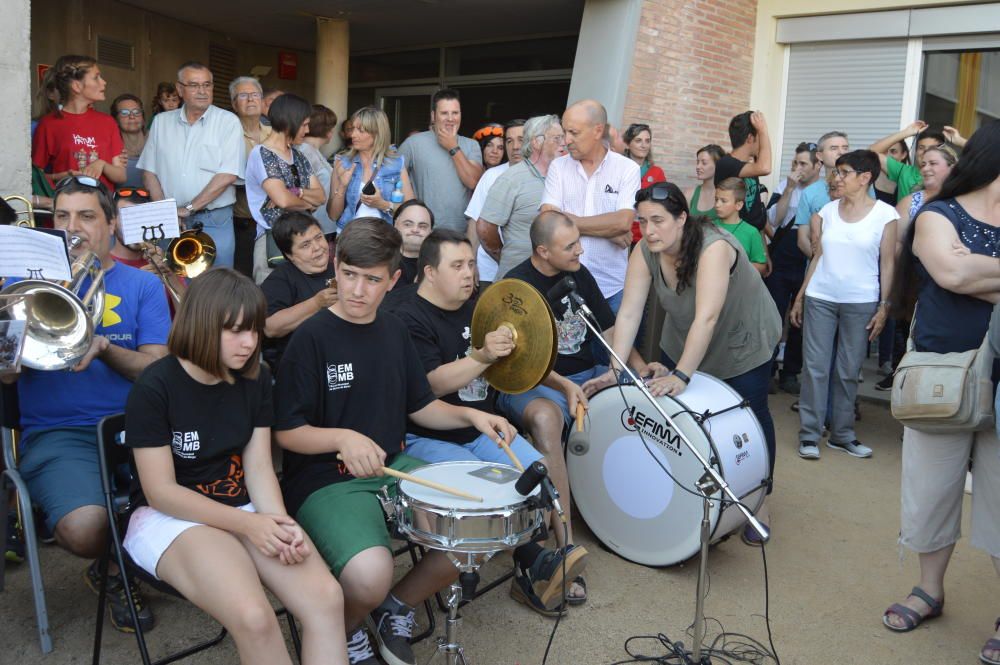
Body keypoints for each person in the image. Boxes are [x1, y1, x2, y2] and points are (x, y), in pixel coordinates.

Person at [273, 218, 518, 665]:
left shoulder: (393, 330)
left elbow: (419, 406)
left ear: (393, 280)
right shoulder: (310, 337)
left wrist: (471, 415)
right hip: (325, 480)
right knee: (369, 574)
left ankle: (395, 607)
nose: (358, 290)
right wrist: (343, 438)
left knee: (476, 529)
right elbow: (286, 431)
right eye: (348, 274)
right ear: (336, 265)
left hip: (391, 468)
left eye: (372, 279)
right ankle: (343, 629)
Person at [124, 269, 348, 665]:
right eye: (235, 331)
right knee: (255, 618)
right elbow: (161, 491)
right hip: (171, 516)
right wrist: (250, 525)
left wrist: (279, 524)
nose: (249, 343)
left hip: (241, 505)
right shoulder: (156, 386)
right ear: (202, 324)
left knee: (326, 598)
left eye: (254, 331)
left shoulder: (256, 378)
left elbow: (259, 466)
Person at [389, 228, 589, 615]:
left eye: (472, 264)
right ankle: (534, 564)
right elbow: (428, 384)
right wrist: (481, 356)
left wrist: (563, 383)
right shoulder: (406, 316)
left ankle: (546, 560)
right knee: (494, 496)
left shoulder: (480, 301)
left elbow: (518, 354)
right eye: (458, 266)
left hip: (483, 428)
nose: (470, 274)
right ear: (430, 272)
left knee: (538, 475)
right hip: (425, 435)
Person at [1, 176, 171, 631]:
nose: (72, 228)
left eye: (86, 216)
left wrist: (105, 348)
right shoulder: (20, 284)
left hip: (138, 426)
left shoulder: (141, 285)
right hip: (59, 433)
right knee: (83, 528)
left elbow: (157, 370)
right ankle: (115, 566)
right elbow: (7, 377)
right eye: (61, 216)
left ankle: (133, 558)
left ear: (112, 225)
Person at [583, 182, 781, 545]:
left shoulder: (714, 247)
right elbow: (627, 313)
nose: (650, 230)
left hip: (741, 339)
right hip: (684, 336)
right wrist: (615, 369)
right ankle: (691, 492)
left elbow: (708, 317)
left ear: (682, 218)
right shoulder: (644, 249)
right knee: (682, 415)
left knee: (749, 416)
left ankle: (758, 501)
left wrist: (682, 375)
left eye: (659, 220)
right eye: (643, 221)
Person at [881, 122, 1000, 665]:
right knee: (931, 491)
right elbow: (950, 272)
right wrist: (965, 271)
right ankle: (930, 589)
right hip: (940, 375)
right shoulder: (937, 214)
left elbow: (964, 271)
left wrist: (979, 272)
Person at [499, 212, 649, 561]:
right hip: (534, 382)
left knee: (642, 394)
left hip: (585, 375)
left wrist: (636, 368)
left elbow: (610, 329)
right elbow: (519, 362)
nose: (580, 250)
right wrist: (565, 386)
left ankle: (628, 514)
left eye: (578, 241)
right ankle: (564, 541)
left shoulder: (577, 273)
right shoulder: (516, 287)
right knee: (547, 421)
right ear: (542, 251)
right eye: (570, 246)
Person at [789, 150, 897, 460]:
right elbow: (817, 257)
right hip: (820, 297)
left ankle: (842, 434)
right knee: (815, 369)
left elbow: (887, 263)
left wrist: (884, 306)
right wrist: (800, 297)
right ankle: (809, 434)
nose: (836, 177)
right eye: (837, 172)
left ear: (865, 178)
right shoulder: (826, 211)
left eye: (844, 172)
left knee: (848, 371)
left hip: (861, 301)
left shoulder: (885, 215)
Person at [139, 61, 244, 269]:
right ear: (180, 89)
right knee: (171, 282)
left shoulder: (228, 122)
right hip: (170, 222)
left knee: (217, 285)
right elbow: (149, 172)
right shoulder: (161, 122)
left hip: (214, 219)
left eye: (207, 85)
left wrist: (188, 208)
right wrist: (167, 213)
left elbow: (228, 174)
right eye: (194, 85)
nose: (202, 91)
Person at [540, 99, 641, 313]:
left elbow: (623, 222)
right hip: (565, 285)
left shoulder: (627, 169)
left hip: (611, 288)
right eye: (565, 132)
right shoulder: (558, 167)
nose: (566, 140)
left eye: (574, 133)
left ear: (597, 131)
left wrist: (570, 220)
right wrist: (607, 232)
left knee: (610, 346)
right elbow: (548, 220)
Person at [873, 143, 959, 394]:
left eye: (934, 163)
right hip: (912, 281)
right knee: (907, 334)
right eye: (923, 164)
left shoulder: (961, 202)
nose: (926, 168)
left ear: (952, 169)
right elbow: (896, 242)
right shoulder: (912, 200)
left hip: (946, 283)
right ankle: (905, 389)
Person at [246, 93, 326, 284]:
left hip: (304, 239)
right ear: (292, 121)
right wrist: (306, 201)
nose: (307, 130)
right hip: (274, 241)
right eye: (305, 124)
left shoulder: (297, 155)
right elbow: (283, 201)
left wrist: (297, 192)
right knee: (273, 304)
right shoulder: (262, 153)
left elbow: (321, 196)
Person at [478, 115, 565, 280]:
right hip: (517, 282)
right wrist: (506, 257)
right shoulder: (511, 178)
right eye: (557, 138)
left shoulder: (562, 176)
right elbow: (484, 229)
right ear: (536, 142)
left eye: (563, 137)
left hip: (554, 279)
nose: (564, 143)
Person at [766, 142, 822, 395]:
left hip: (807, 260)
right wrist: (788, 188)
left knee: (800, 320)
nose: (798, 168)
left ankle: (790, 372)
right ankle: (766, 371)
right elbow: (774, 220)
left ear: (817, 165)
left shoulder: (824, 191)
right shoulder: (784, 186)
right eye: (795, 163)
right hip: (782, 258)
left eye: (803, 164)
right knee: (773, 317)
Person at [33, 55, 126, 191]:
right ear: (76, 86)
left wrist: (102, 164)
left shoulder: (108, 122)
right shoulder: (48, 124)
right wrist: (63, 176)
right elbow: (35, 177)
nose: (104, 82)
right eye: (96, 77)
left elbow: (121, 176)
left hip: (102, 206)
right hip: (66, 204)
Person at [261, 211, 337, 371]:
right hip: (300, 365)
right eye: (305, 245)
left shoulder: (340, 268)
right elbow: (270, 327)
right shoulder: (279, 280)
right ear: (289, 255)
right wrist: (316, 303)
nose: (317, 248)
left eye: (319, 237)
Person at [399, 88, 483, 233]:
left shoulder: (471, 145)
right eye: (444, 113)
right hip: (423, 230)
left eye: (455, 113)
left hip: (459, 231)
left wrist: (453, 147)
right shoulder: (413, 143)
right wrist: (410, 208)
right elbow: (394, 176)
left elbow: (472, 182)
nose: (450, 118)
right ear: (433, 116)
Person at [329, 106, 414, 231]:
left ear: (377, 134)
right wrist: (342, 186)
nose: (353, 134)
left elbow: (411, 209)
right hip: (349, 238)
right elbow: (333, 215)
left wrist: (383, 204)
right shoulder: (342, 162)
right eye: (353, 129)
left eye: (361, 131)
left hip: (385, 238)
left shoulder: (395, 163)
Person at [465, 119, 525, 285]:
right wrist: (471, 263)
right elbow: (474, 221)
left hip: (528, 271)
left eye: (521, 139)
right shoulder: (491, 175)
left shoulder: (544, 176)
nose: (515, 146)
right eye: (509, 141)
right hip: (488, 272)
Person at [110, 187, 187, 307]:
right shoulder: (103, 265)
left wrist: (169, 276)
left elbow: (190, 317)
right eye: (127, 217)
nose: (136, 225)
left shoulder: (163, 261)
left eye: (141, 217)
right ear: (112, 223)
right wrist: (136, 283)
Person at [230, 76, 273, 279]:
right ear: (233, 104)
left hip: (272, 222)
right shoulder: (227, 134)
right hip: (242, 222)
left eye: (255, 95)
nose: (250, 100)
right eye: (243, 95)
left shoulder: (274, 133)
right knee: (243, 279)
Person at [713, 111, 772, 231]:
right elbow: (765, 167)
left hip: (752, 236)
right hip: (735, 238)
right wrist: (763, 130)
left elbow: (755, 215)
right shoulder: (726, 163)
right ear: (750, 138)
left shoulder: (749, 168)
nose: (762, 142)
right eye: (759, 138)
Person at [869, 121, 948, 198]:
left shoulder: (948, 174)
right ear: (916, 151)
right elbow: (871, 152)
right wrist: (906, 132)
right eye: (921, 148)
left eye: (931, 148)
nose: (925, 152)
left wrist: (959, 142)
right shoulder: (903, 171)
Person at [299, 104, 340, 237]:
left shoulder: (313, 151)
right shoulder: (306, 151)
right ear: (327, 131)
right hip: (316, 226)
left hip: (323, 224)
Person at [714, 177, 767, 275]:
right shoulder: (709, 227)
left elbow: (762, 267)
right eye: (716, 199)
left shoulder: (752, 232)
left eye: (723, 201)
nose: (717, 204)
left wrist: (734, 265)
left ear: (738, 205)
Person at [623, 123, 667, 243]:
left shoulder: (657, 173)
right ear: (627, 144)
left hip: (646, 236)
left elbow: (662, 205)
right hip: (620, 234)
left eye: (647, 141)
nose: (644, 145)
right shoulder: (618, 169)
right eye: (638, 140)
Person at [393, 199, 434, 286]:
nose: (415, 230)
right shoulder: (381, 261)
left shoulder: (438, 265)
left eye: (422, 226)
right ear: (395, 225)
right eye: (408, 224)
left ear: (431, 231)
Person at [110, 93, 147, 189]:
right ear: (116, 119)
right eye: (124, 113)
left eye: (136, 112)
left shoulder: (156, 141)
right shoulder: (111, 149)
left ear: (143, 118)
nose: (132, 116)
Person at [685, 144, 725, 222]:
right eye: (698, 162)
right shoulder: (689, 194)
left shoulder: (727, 195)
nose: (698, 167)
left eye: (704, 163)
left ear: (718, 165)